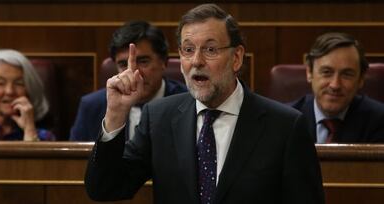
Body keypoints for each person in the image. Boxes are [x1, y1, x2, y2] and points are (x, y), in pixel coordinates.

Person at [85, 4, 324, 204]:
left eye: (210, 49)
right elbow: (105, 189)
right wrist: (116, 115)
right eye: (188, 50)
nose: (197, 61)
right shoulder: (159, 117)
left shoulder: (284, 126)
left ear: (237, 57)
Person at [70, 21, 187, 141]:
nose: (133, 73)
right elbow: (76, 159)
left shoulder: (189, 103)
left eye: (143, 61)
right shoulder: (92, 106)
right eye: (123, 64)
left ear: (164, 62)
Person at [291, 32, 384, 143]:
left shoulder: (379, 121)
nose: (335, 85)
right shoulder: (286, 120)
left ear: (360, 79)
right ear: (309, 73)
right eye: (327, 72)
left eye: (347, 74)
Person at [0, 49, 55, 141]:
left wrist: (29, 131)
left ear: (29, 91)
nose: (9, 91)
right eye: (0, 83)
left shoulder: (44, 137)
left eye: (19, 83)